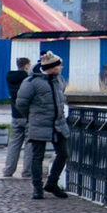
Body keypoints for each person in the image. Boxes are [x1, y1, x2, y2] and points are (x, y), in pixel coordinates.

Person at [20, 51, 69, 198]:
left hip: (59, 123)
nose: (61, 67)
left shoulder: (59, 80)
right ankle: (37, 188)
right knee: (37, 157)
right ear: (51, 67)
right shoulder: (31, 82)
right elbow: (21, 103)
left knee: (64, 153)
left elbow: (61, 98)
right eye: (59, 65)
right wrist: (31, 117)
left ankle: (52, 183)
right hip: (39, 123)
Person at [3, 57, 33, 179]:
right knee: (30, 144)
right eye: (29, 65)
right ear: (26, 66)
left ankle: (8, 170)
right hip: (27, 115)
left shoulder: (10, 78)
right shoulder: (29, 79)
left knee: (14, 144)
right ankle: (27, 172)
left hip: (15, 115)